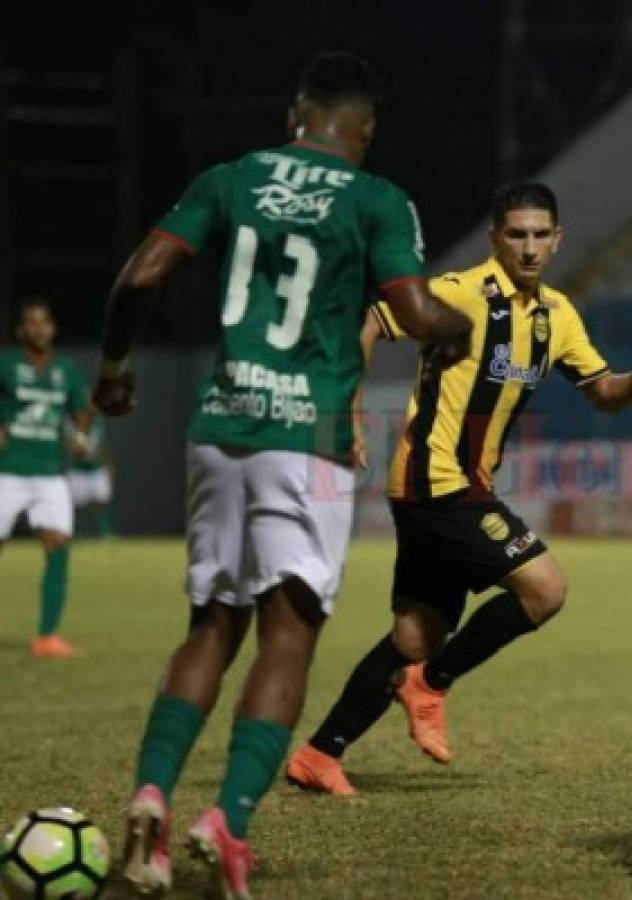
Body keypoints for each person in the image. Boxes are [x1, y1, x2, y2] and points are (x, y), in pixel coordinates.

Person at [93, 52, 471, 900]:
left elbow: (142, 275)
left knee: (209, 625)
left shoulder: (230, 178)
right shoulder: (376, 198)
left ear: (295, 111)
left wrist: (113, 368)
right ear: (366, 128)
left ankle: (151, 796)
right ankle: (229, 818)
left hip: (220, 423)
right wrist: (458, 326)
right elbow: (414, 312)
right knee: (288, 635)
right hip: (311, 439)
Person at [284, 178, 632, 795]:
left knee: (417, 634)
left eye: (540, 235)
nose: (528, 247)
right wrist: (348, 415)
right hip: (434, 479)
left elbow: (606, 394)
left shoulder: (557, 315)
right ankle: (430, 684)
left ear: (557, 239)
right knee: (544, 588)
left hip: (456, 483)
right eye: (516, 235)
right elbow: (369, 322)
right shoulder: (459, 293)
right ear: (496, 237)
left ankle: (319, 754)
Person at [0, 295, 91, 658]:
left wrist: (80, 435)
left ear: (53, 328)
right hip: (7, 470)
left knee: (58, 545)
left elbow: (81, 407)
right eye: (32, 323)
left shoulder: (65, 370)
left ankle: (47, 637)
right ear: (21, 330)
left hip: (49, 473)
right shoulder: (7, 364)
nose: (39, 329)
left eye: (44, 322)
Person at [67, 412, 115, 538]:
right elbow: (69, 447)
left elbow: (104, 447)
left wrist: (108, 467)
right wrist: (78, 449)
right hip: (78, 470)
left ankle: (106, 532)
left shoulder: (99, 424)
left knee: (103, 501)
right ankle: (75, 533)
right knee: (75, 505)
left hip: (96, 469)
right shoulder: (71, 424)